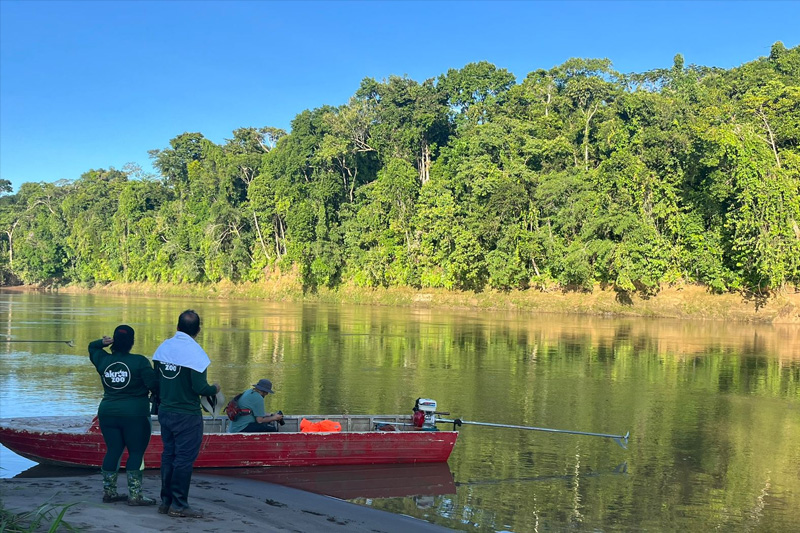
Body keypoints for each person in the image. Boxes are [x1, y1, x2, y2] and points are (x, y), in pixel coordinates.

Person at [152, 310, 220, 518]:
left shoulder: (163, 348)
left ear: (178, 327)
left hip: (165, 411)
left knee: (168, 455)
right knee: (183, 459)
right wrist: (214, 389)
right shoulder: (196, 354)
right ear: (198, 330)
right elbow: (199, 387)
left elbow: (156, 381)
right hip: (187, 415)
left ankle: (166, 502)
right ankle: (179, 505)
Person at [88, 325, 158, 506]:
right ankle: (135, 496)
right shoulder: (140, 361)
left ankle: (109, 492)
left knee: (113, 450)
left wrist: (102, 342)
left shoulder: (103, 360)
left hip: (107, 412)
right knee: (135, 452)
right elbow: (154, 385)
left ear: (114, 341)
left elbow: (92, 347)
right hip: (135, 414)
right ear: (132, 343)